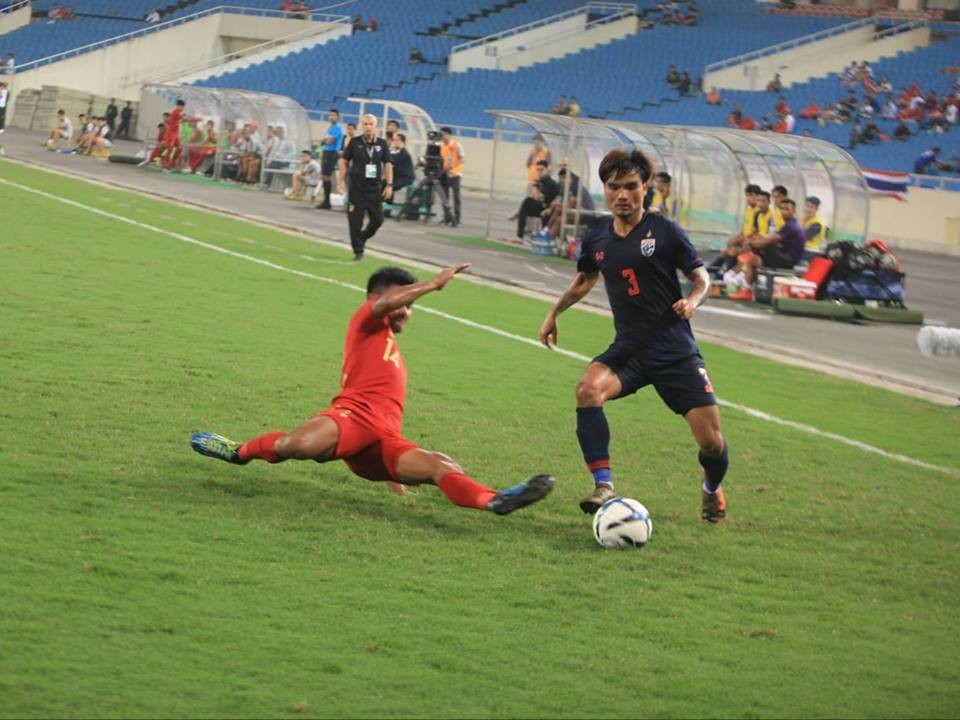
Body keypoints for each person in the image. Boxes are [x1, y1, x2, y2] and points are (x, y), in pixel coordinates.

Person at [190, 264, 554, 515]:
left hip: (382, 440)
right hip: (350, 418)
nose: (407, 311)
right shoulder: (365, 322)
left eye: (410, 306)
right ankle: (237, 452)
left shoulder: (391, 348)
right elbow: (382, 304)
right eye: (404, 303)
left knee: (439, 465)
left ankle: (495, 501)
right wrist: (432, 284)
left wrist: (391, 481)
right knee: (294, 445)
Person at [538, 148, 728, 522]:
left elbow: (701, 277)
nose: (622, 195)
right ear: (605, 190)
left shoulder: (665, 232)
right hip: (630, 350)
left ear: (645, 189)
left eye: (631, 186)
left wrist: (692, 300)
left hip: (674, 351)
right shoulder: (597, 238)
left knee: (711, 442)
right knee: (587, 390)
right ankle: (604, 485)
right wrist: (554, 312)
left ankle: (711, 487)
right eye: (614, 187)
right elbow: (585, 279)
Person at [337, 114, 393, 261]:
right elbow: (344, 162)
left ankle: (361, 238)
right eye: (365, 124)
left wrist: (389, 184)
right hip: (357, 189)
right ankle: (358, 251)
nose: (368, 127)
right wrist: (340, 182)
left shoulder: (382, 143)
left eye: (371, 124)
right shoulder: (355, 142)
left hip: (374, 189)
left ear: (376, 126)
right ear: (362, 126)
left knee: (378, 220)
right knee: (355, 222)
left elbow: (387, 164)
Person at [728, 198, 805, 300]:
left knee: (761, 250)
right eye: (782, 209)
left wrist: (751, 243)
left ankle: (746, 289)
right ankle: (749, 289)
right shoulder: (788, 224)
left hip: (788, 260)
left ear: (793, 211)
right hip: (783, 256)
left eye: (787, 209)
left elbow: (770, 240)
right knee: (754, 259)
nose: (783, 212)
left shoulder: (791, 226)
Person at [514, 159, 559, 242]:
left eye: (541, 170)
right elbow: (535, 197)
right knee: (526, 203)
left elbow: (555, 198)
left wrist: (548, 208)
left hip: (549, 208)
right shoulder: (539, 182)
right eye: (538, 170)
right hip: (540, 207)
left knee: (528, 202)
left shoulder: (552, 184)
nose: (539, 172)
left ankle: (542, 236)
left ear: (547, 170)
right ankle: (520, 236)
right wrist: (536, 188)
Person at [316, 108, 344, 209]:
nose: (331, 117)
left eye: (333, 115)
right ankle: (326, 200)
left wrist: (325, 140)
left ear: (337, 117)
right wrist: (325, 140)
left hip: (332, 153)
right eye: (330, 115)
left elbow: (330, 140)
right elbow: (323, 142)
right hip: (327, 152)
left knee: (326, 176)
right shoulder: (330, 127)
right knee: (324, 176)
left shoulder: (338, 128)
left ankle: (327, 202)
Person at [439, 126, 464, 226]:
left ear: (449, 135)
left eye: (443, 134)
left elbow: (462, 158)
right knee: (444, 197)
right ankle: (447, 217)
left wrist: (454, 166)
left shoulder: (457, 145)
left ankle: (457, 217)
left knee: (456, 197)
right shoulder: (441, 146)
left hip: (455, 174)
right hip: (444, 174)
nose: (442, 136)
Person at [389, 132, 415, 198]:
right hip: (397, 176)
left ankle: (385, 202)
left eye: (397, 140)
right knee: (381, 184)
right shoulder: (395, 151)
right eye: (393, 140)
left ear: (402, 142)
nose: (394, 142)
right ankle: (385, 202)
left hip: (405, 177)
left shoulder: (404, 153)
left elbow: (393, 161)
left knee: (389, 187)